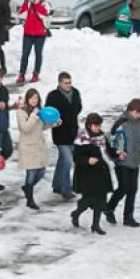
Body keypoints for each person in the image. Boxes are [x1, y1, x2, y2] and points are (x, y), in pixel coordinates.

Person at [71, 114, 114, 235]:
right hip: (87, 175)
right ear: (89, 125)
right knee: (89, 200)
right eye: (95, 125)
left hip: (101, 172)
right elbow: (76, 157)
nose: (98, 128)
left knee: (101, 200)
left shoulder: (102, 137)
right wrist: (87, 160)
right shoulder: (81, 138)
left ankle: (96, 225)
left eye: (99, 125)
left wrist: (117, 153)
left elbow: (108, 151)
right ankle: (76, 213)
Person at [105, 99, 140, 228]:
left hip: (135, 160)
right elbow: (111, 140)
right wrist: (117, 153)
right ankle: (109, 208)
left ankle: (128, 216)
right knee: (124, 187)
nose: (138, 115)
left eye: (139, 113)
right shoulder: (121, 123)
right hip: (122, 161)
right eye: (136, 112)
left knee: (133, 189)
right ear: (129, 110)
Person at [17, 88, 56, 210]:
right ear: (27, 99)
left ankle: (27, 188)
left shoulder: (39, 111)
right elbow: (25, 128)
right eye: (32, 98)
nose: (34, 100)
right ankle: (30, 200)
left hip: (39, 145)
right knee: (31, 173)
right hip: (28, 147)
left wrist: (53, 123)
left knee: (41, 172)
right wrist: (34, 115)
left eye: (36, 98)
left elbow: (42, 126)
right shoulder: (22, 111)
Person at [46, 72, 83, 201]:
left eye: (70, 82)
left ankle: (57, 184)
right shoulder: (53, 96)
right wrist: (58, 119)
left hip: (73, 132)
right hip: (60, 134)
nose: (69, 85)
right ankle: (66, 189)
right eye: (66, 83)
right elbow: (48, 113)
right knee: (68, 161)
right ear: (60, 83)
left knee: (63, 160)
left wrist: (72, 114)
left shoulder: (75, 92)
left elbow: (79, 107)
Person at [17, 0, 51, 84]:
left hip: (40, 34)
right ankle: (22, 74)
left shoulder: (45, 4)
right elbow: (21, 15)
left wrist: (37, 5)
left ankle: (36, 73)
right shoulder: (28, 4)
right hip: (28, 33)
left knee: (38, 53)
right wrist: (25, 4)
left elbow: (44, 15)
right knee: (25, 54)